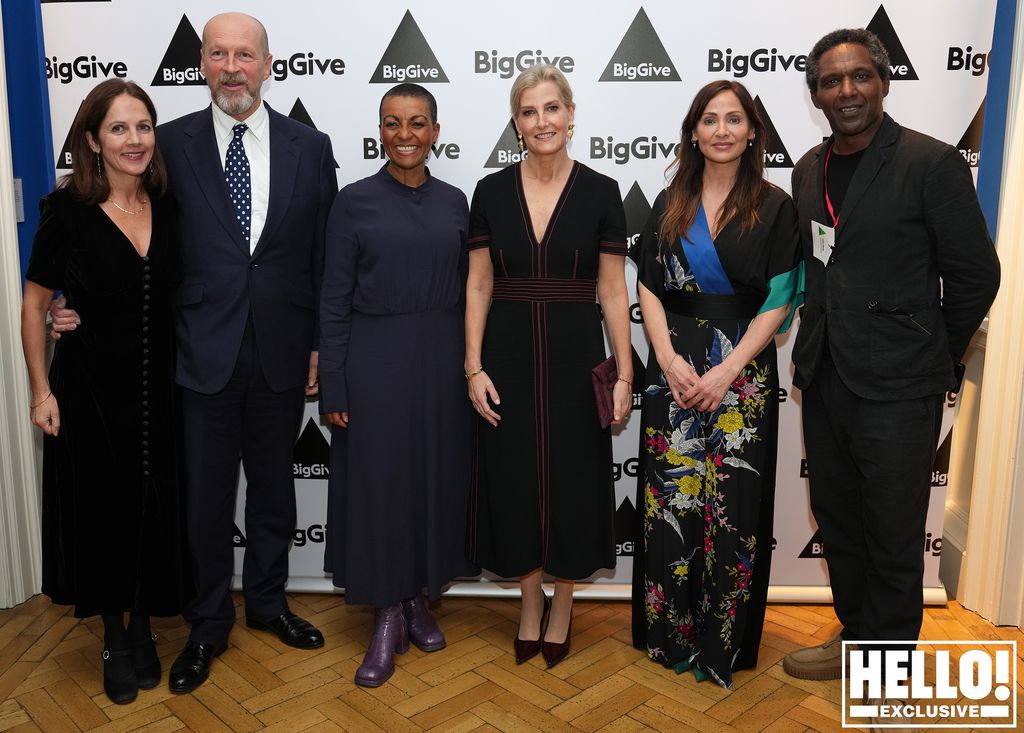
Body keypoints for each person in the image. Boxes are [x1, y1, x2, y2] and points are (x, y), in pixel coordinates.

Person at [51, 13, 338, 693]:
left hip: (282, 350)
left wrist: (322, 344)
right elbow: (116, 224)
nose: (231, 66)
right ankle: (208, 621)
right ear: (201, 64)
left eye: (245, 54)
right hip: (196, 353)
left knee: (273, 491)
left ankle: (268, 603)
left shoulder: (312, 144)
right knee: (205, 500)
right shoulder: (166, 145)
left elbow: (324, 256)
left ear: (269, 64)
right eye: (218, 54)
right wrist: (77, 305)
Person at [782, 29, 999, 685]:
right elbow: (822, 264)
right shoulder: (807, 168)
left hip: (901, 387)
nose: (845, 90)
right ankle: (857, 637)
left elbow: (975, 276)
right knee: (839, 520)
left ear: (882, 81)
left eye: (858, 77)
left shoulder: (929, 163)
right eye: (830, 80)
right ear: (815, 92)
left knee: (895, 532)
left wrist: (931, 351)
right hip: (825, 376)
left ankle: (889, 674)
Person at [21, 79, 189, 704]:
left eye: (144, 126)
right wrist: (42, 391)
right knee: (104, 508)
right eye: (119, 128)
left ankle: (145, 625)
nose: (135, 140)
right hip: (91, 386)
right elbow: (36, 303)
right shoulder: (64, 211)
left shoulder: (169, 205)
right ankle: (116, 637)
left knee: (152, 506)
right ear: (92, 140)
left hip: (160, 389)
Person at [629, 80, 802, 688]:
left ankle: (721, 641)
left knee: (733, 508)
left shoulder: (776, 205)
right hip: (672, 369)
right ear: (694, 131)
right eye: (710, 119)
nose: (722, 130)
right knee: (672, 502)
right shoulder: (669, 201)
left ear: (753, 130)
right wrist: (668, 358)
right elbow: (649, 286)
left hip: (743, 373)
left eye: (735, 119)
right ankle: (669, 634)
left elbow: (781, 297)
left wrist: (729, 368)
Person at [465, 65, 632, 669]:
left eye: (552, 109)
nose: (542, 122)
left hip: (575, 355)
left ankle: (563, 603)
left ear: (571, 114)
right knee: (511, 481)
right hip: (505, 355)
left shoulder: (601, 190)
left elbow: (613, 291)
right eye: (529, 112)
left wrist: (624, 373)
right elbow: (478, 285)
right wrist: (472, 365)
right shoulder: (488, 192)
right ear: (516, 123)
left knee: (575, 479)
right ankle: (529, 602)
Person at [318, 83, 477, 687]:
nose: (404, 134)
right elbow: (332, 299)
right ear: (378, 131)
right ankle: (386, 612)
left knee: (429, 483)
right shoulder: (352, 202)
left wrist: (471, 367)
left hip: (440, 363)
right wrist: (334, 382)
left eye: (416, 123)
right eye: (392, 123)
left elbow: (475, 293)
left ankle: (414, 597)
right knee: (380, 487)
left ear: (435, 131)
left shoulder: (458, 202)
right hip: (373, 362)